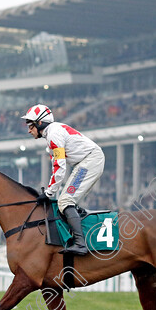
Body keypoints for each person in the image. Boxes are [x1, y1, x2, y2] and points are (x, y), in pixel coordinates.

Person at [21, 104, 106, 256]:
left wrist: (48, 193)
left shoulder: (54, 135)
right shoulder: (51, 135)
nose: (29, 130)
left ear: (40, 123)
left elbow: (59, 167)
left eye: (30, 126)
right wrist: (50, 191)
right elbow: (57, 169)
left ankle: (80, 244)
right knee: (65, 200)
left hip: (90, 161)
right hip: (86, 162)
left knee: (65, 201)